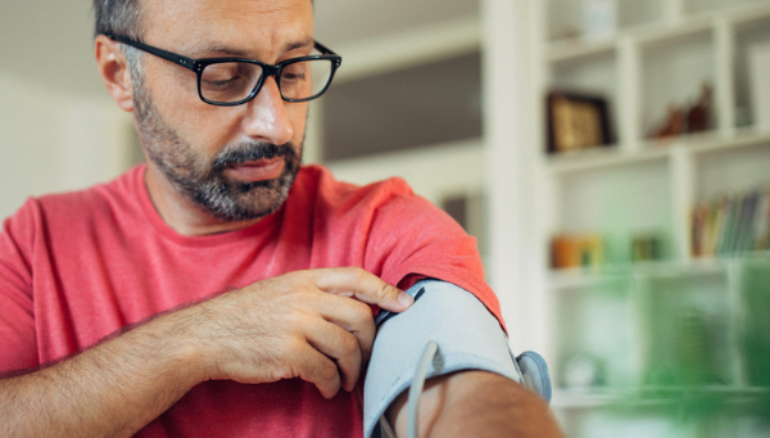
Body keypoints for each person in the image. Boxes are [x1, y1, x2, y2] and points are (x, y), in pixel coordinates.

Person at [0, 0, 563, 437]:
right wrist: (196, 340)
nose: (278, 126)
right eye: (222, 77)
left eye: (293, 70)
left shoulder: (386, 228)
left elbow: (463, 388)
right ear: (120, 73)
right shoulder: (35, 242)